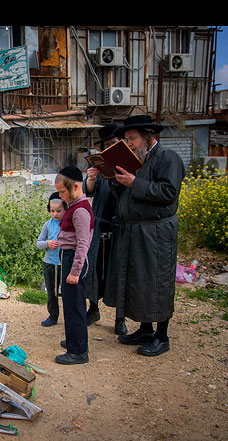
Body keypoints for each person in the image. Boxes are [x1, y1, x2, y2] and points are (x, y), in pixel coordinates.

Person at [109, 114, 186, 357]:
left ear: (148, 136)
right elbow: (126, 195)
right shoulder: (139, 160)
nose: (129, 144)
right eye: (127, 140)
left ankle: (162, 337)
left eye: (132, 139)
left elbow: (168, 192)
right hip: (137, 230)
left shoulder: (168, 158)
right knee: (140, 282)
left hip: (157, 232)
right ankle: (145, 329)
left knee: (157, 282)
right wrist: (115, 180)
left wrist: (134, 183)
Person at [84, 124, 127, 335]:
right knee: (94, 268)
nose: (109, 148)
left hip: (120, 224)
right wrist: (91, 178)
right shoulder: (101, 166)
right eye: (106, 146)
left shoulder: (129, 166)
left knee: (117, 269)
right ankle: (93, 309)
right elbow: (90, 192)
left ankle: (120, 318)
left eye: (113, 144)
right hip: (99, 222)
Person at [53, 166, 94, 365]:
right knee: (69, 304)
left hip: (74, 260)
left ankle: (78, 352)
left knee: (75, 306)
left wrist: (75, 271)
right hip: (67, 257)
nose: (60, 196)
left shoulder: (80, 211)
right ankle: (73, 341)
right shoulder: (73, 206)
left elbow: (83, 243)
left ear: (76, 187)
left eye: (63, 191)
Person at [36, 191, 66, 327]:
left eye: (59, 211)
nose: (56, 214)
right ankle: (53, 316)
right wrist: (48, 243)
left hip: (64, 263)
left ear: (65, 208)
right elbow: (38, 243)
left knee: (66, 292)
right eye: (53, 211)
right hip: (49, 263)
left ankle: (70, 318)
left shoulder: (68, 223)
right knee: (52, 292)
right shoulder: (47, 225)